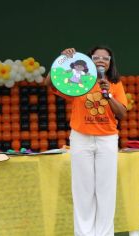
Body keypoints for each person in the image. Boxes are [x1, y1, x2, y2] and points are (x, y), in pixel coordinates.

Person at [44, 46, 127, 236]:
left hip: (107, 139)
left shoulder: (114, 83)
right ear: (89, 60)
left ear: (110, 63)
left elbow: (122, 113)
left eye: (105, 58)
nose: (101, 61)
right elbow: (50, 83)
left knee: (106, 190)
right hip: (81, 137)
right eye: (96, 57)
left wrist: (109, 95)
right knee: (83, 190)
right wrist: (61, 61)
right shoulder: (79, 79)